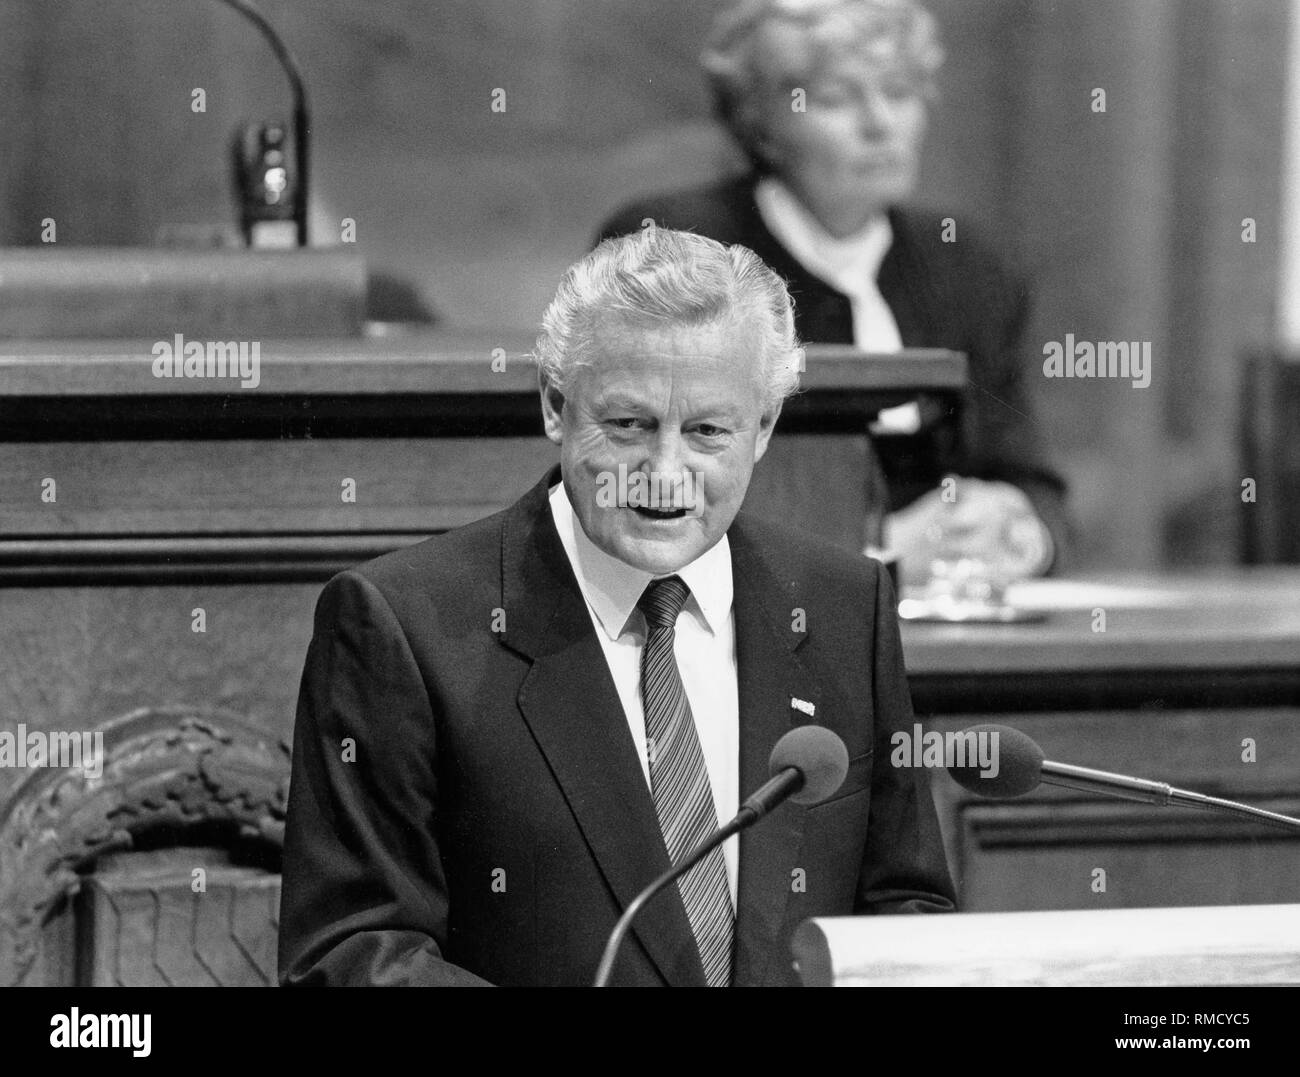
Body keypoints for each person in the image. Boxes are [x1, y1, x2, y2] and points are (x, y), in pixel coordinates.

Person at [278, 228, 956, 988]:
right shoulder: (404, 626)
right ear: (555, 405)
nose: (665, 474)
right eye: (629, 425)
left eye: (706, 432)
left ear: (763, 428)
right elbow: (353, 955)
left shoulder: (842, 607)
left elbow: (906, 908)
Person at [597, 0, 1070, 584]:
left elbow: (1030, 478)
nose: (880, 125)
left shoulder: (965, 262)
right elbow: (640, 481)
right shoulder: (679, 247)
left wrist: (1020, 534)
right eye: (838, 99)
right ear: (762, 127)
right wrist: (875, 555)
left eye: (899, 92)